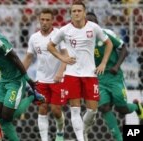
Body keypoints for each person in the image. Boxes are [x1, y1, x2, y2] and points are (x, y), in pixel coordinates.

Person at [0, 14, 47, 141]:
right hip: (3, 80)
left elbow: (15, 57)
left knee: (6, 115)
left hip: (16, 80)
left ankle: (32, 96)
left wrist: (28, 80)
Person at [47, 1, 113, 141]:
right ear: (71, 13)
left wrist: (103, 63)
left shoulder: (94, 28)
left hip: (90, 73)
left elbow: (109, 43)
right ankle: (80, 139)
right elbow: (51, 46)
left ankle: (84, 132)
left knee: (93, 110)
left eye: (79, 10)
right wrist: (62, 58)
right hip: (72, 74)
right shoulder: (65, 30)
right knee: (75, 109)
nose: (76, 13)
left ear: (84, 12)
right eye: (73, 11)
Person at [86, 12, 143, 141]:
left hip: (114, 76)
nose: (90, 25)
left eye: (92, 22)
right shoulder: (83, 39)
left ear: (97, 24)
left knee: (121, 108)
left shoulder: (107, 34)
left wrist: (116, 66)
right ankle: (119, 138)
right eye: (87, 22)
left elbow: (124, 49)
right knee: (103, 107)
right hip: (98, 78)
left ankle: (137, 106)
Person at [23, 8, 67, 141]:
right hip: (41, 79)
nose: (44, 22)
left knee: (56, 110)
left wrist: (60, 72)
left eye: (47, 20)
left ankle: (60, 132)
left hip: (57, 80)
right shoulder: (34, 38)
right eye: (42, 19)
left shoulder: (59, 34)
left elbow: (66, 54)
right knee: (42, 109)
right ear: (38, 20)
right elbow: (29, 57)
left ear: (52, 20)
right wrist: (19, 74)